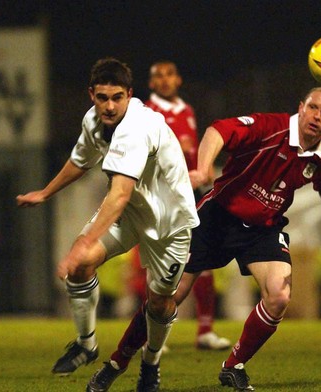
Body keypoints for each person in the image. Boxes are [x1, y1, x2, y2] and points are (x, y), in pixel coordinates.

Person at [87, 86, 321, 391]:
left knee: (279, 296)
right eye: (313, 108)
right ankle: (117, 363)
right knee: (165, 299)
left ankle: (233, 366)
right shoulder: (270, 128)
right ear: (301, 107)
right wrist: (203, 170)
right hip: (217, 218)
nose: (317, 116)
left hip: (262, 229)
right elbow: (217, 131)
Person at [16, 57, 199, 391]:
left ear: (130, 94)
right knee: (82, 265)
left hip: (169, 224)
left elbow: (118, 196)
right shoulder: (94, 121)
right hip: (131, 214)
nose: (110, 106)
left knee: (159, 302)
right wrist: (45, 192)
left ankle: (151, 363)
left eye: (117, 97)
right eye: (103, 98)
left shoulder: (137, 128)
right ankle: (86, 344)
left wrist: (82, 243)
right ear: (92, 95)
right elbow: (80, 161)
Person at [140, 59, 229, 350]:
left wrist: (205, 176)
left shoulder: (187, 111)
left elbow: (192, 156)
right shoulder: (145, 112)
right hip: (158, 197)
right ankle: (151, 333)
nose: (164, 80)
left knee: (203, 259)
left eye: (169, 75)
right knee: (157, 266)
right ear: (151, 83)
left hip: (189, 198)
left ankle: (204, 330)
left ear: (178, 80)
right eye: (158, 76)